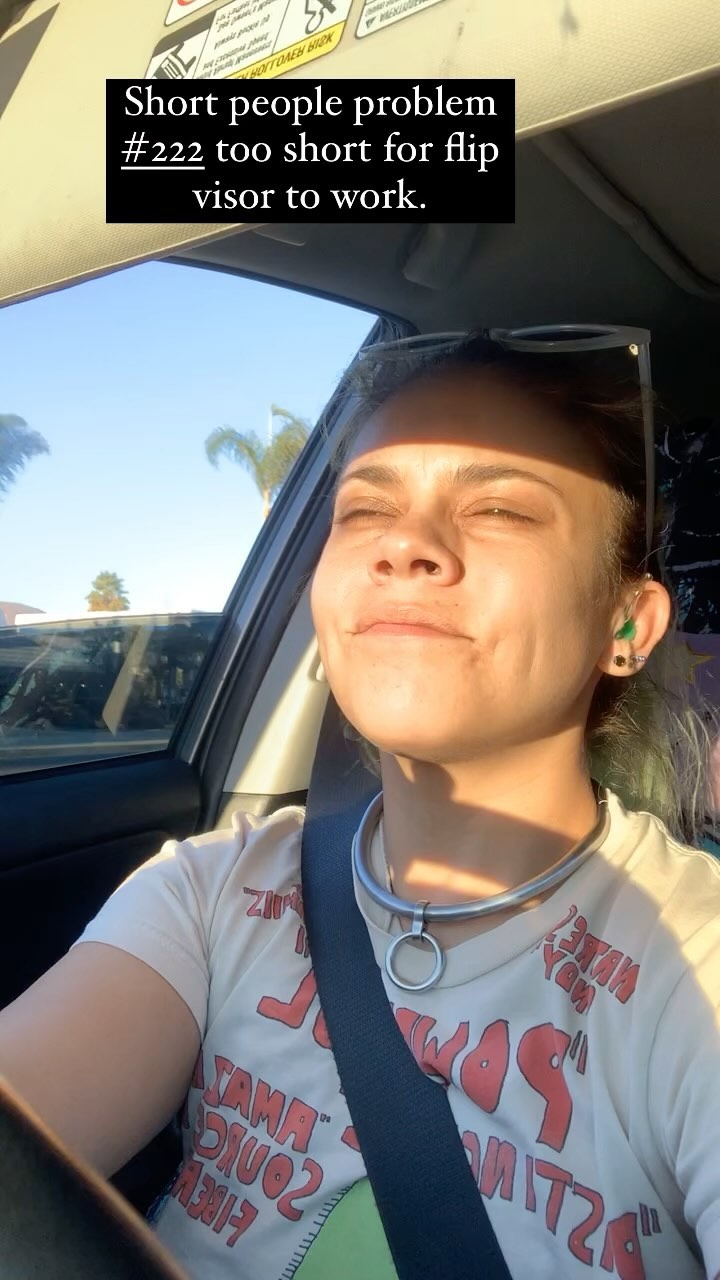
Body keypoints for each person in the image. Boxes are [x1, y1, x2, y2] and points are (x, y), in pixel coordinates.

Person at [1, 330, 720, 1280]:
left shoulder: (690, 957)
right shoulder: (214, 892)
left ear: (627, 623)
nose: (404, 545)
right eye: (366, 508)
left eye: (500, 507)